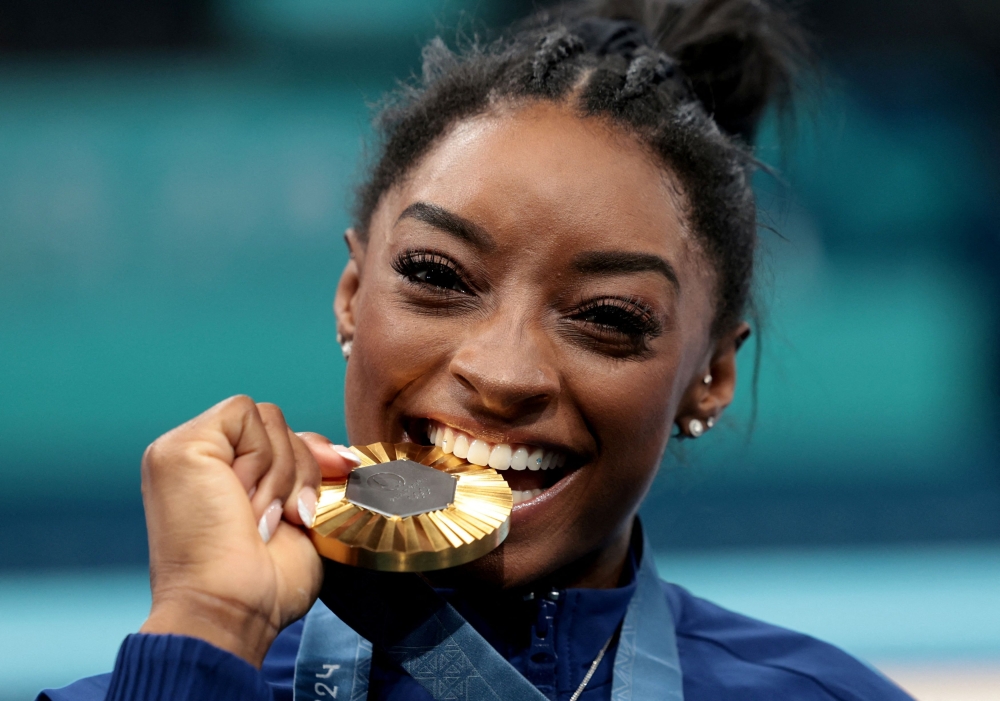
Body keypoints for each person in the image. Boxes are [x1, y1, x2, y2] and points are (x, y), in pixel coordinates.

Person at [40, 0, 914, 699]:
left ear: (711, 375)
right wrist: (208, 622)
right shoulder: (183, 672)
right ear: (353, 295)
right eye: (438, 275)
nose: (501, 375)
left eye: (606, 316)